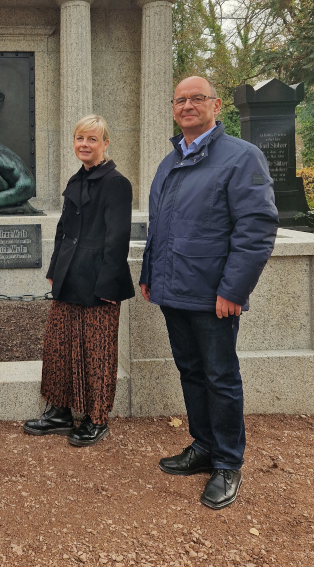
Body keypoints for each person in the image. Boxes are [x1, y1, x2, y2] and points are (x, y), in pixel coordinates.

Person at [140, 76, 278, 509]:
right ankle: (202, 446)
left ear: (216, 105)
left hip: (214, 295)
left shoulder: (241, 157)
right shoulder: (169, 162)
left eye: (196, 99)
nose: (187, 106)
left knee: (220, 377)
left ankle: (227, 464)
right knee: (192, 372)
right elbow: (159, 226)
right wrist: (149, 273)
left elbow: (256, 228)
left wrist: (234, 289)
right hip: (173, 291)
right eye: (180, 99)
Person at [24, 115, 135, 446]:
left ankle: (96, 418)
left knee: (96, 350)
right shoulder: (76, 179)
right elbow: (63, 230)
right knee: (59, 345)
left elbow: (118, 238)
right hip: (69, 275)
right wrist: (54, 270)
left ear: (105, 143)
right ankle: (59, 412)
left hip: (98, 279)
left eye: (92, 139)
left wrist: (109, 284)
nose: (84, 145)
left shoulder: (116, 183)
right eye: (79, 139)